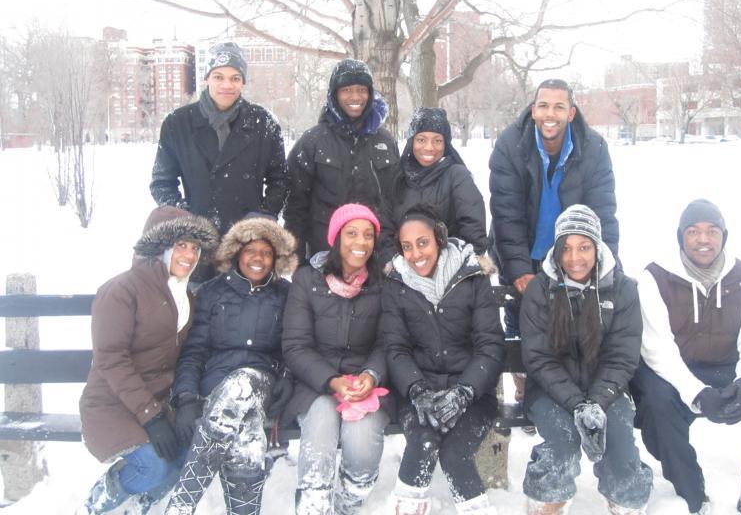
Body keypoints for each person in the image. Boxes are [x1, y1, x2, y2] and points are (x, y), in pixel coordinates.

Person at [630, 199, 741, 515]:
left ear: (724, 235)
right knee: (656, 404)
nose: (703, 240)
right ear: (680, 236)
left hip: (729, 369)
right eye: (693, 232)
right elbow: (656, 349)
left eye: (712, 231)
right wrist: (697, 393)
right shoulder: (656, 277)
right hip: (675, 373)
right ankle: (692, 495)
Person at [77, 206, 219, 514]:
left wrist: (183, 405)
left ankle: (140, 505)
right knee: (153, 467)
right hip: (112, 406)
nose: (190, 254)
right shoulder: (120, 290)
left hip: (158, 404)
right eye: (181, 244)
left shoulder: (185, 296)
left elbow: (184, 358)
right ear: (159, 244)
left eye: (195, 248)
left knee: (190, 457)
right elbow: (111, 359)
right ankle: (102, 498)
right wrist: (151, 417)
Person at [520, 205, 652, 515]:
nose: (574, 257)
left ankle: (626, 499)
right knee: (563, 441)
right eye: (566, 248)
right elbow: (539, 358)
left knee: (618, 442)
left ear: (597, 247)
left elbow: (622, 355)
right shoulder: (541, 289)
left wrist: (597, 401)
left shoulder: (621, 289)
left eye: (584, 247)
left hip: (605, 388)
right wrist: (577, 404)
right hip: (550, 390)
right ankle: (547, 499)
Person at [163, 215, 298, 515]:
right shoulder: (211, 293)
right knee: (247, 441)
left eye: (266, 252)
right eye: (251, 250)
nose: (258, 258)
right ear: (237, 252)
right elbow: (194, 351)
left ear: (275, 257)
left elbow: (294, 346)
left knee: (243, 383)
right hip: (216, 387)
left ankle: (182, 504)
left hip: (263, 382)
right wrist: (185, 398)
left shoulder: (285, 296)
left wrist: (288, 377)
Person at [381, 204, 505, 515]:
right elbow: (396, 349)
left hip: (473, 394)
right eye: (406, 246)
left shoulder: (472, 276)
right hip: (419, 393)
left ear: (439, 238)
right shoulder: (397, 284)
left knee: (454, 454)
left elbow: (490, 345)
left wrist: (465, 392)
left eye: (422, 242)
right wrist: (418, 390)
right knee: (423, 442)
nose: (415, 254)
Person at [488, 78, 619, 339]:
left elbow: (602, 213)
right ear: (533, 109)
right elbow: (506, 214)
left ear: (571, 113)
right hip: (524, 255)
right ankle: (522, 378)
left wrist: (606, 266)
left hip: (571, 257)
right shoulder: (509, 145)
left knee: (569, 335)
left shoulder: (594, 148)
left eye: (559, 107)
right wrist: (519, 270)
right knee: (522, 335)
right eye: (543, 105)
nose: (550, 114)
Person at [282, 203, 391, 514]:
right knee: (320, 430)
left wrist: (371, 375)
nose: (360, 243)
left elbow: (390, 341)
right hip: (315, 383)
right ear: (336, 237)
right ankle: (314, 504)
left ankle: (350, 502)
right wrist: (331, 380)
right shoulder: (307, 279)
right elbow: (295, 345)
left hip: (367, 384)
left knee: (361, 445)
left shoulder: (383, 283)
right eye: (352, 233)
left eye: (368, 235)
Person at [150, 41, 289, 243]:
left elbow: (280, 180)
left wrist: (263, 217)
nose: (227, 85)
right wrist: (182, 216)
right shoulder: (177, 123)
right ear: (207, 78)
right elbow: (162, 182)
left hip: (246, 240)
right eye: (218, 77)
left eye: (235, 78)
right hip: (196, 239)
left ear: (243, 82)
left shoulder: (264, 123)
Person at [284, 58, 399, 262]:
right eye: (346, 90)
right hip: (325, 254)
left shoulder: (385, 141)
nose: (355, 96)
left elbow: (394, 199)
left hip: (375, 253)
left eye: (362, 89)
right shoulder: (312, 141)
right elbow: (295, 207)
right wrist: (297, 260)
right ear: (334, 95)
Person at [386, 107, 487, 255]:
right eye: (421, 140)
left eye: (437, 141)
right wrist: (395, 266)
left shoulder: (457, 176)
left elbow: (474, 235)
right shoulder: (397, 177)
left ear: (446, 144)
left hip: (447, 271)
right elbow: (385, 229)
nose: (429, 147)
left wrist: (443, 268)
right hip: (401, 270)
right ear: (411, 142)